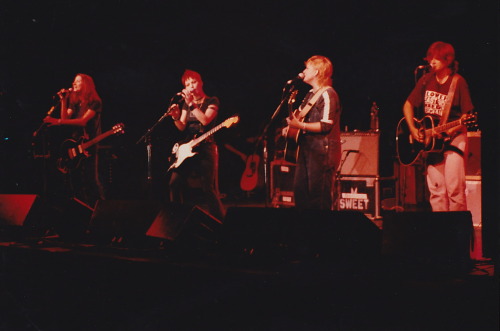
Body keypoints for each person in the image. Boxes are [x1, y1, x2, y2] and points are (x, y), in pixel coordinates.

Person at [402, 41, 474, 211]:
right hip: (432, 142)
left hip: (454, 139)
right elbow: (408, 104)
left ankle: (458, 233)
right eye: (430, 58)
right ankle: (440, 232)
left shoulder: (458, 82)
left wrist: (454, 128)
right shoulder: (426, 80)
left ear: (447, 60)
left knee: (455, 190)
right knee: (436, 191)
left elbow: (467, 115)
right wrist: (413, 129)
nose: (431, 62)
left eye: (436, 59)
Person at [283, 55, 342, 210]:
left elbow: (325, 126)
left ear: (316, 72)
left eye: (307, 68)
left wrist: (300, 125)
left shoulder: (328, 94)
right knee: (301, 193)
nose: (303, 71)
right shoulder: (310, 94)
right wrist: (290, 128)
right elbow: (299, 117)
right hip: (307, 149)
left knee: (319, 198)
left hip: (323, 151)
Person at [167, 69, 225, 220]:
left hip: (206, 146)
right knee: (174, 183)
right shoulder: (187, 105)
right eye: (188, 84)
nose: (191, 86)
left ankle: (220, 220)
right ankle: (177, 218)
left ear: (201, 83)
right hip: (188, 148)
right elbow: (182, 126)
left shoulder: (212, 101)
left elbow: (205, 120)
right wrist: (175, 117)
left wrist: (192, 104)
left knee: (208, 188)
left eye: (194, 82)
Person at [43, 73, 105, 208]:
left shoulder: (95, 101)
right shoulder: (74, 99)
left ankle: (101, 208)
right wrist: (64, 100)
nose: (73, 83)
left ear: (86, 84)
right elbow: (66, 118)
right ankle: (83, 210)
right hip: (75, 142)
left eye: (77, 81)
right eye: (73, 81)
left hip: (89, 143)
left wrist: (57, 121)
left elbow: (83, 122)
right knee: (75, 179)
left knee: (90, 179)